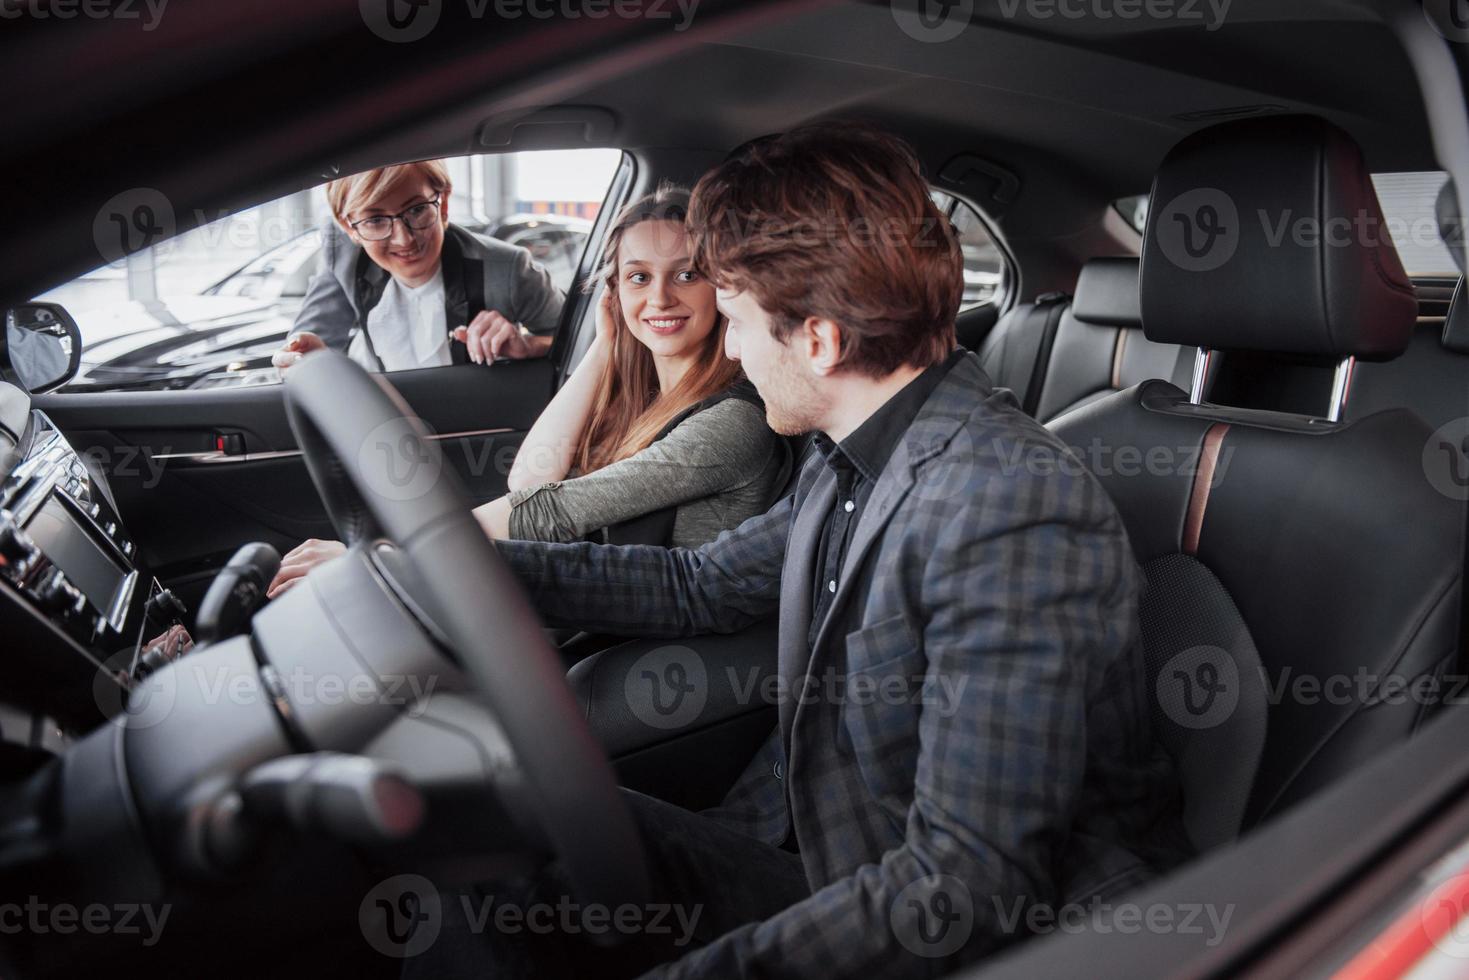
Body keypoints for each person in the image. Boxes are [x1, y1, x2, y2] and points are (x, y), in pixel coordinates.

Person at [404, 123, 1192, 979]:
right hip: (819, 848)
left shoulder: (1009, 508)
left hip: (952, 920)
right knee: (487, 828)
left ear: (817, 339)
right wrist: (451, 569)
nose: (729, 348)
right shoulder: (853, 450)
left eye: (735, 319)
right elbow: (702, 587)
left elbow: (962, 887)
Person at [266, 185, 788, 597]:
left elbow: (547, 514)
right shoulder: (642, 396)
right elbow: (531, 480)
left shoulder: (730, 423)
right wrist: (606, 344)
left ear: (721, 287)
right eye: (637, 277)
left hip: (633, 646)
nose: (659, 297)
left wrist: (378, 554)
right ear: (613, 292)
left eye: (687, 274)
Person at [271, 159, 563, 374]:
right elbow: (307, 351)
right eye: (375, 220)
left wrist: (527, 345)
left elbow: (581, 346)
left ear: (444, 203)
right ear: (350, 228)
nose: (404, 238)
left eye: (417, 209)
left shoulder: (509, 269)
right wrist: (312, 363)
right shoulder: (345, 258)